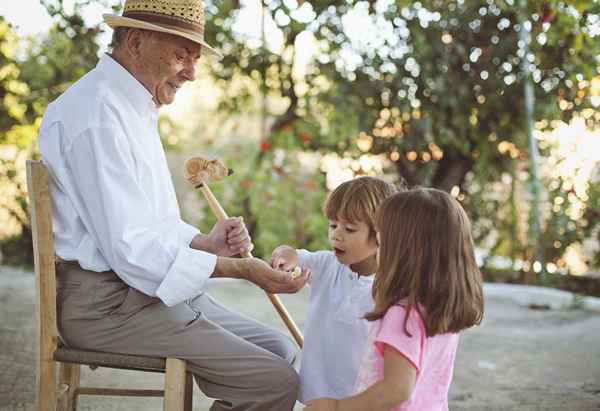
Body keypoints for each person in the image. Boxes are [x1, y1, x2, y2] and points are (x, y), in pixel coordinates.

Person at [38, 1, 309, 410]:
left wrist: (206, 243)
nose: (192, 72)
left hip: (140, 293)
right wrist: (241, 270)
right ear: (135, 41)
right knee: (274, 382)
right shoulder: (97, 116)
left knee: (281, 351)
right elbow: (131, 251)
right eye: (182, 55)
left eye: (195, 58)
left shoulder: (131, 107)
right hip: (108, 307)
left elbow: (149, 228)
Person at [303, 188, 485, 411]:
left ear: (403, 251)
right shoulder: (439, 308)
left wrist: (337, 407)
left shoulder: (402, 314)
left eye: (381, 241)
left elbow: (396, 389)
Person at [270, 176, 399, 404]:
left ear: (382, 236)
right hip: (317, 395)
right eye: (333, 225)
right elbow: (294, 255)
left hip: (360, 401)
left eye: (349, 228)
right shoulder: (326, 264)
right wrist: (284, 256)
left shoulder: (393, 288)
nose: (336, 234)